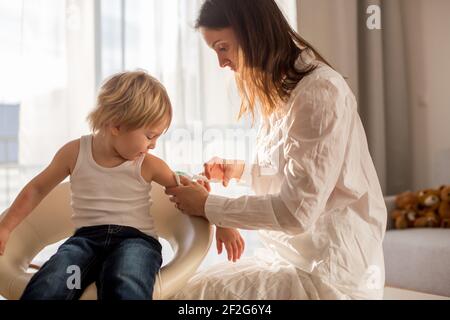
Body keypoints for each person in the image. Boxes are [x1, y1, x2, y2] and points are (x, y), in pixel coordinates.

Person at [166, 0, 387, 300]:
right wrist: (241, 170)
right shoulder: (284, 90)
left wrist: (208, 205)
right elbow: (297, 172)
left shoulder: (320, 92)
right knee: (188, 289)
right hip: (294, 257)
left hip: (329, 273)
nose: (221, 63)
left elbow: (296, 212)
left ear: (251, 32)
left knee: (191, 297)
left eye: (222, 47)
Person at [0, 70, 243, 300]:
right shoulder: (74, 153)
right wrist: (6, 228)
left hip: (136, 241)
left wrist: (222, 223)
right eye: (150, 136)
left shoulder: (148, 164)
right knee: (53, 282)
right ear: (116, 125)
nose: (153, 145)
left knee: (126, 280)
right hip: (85, 242)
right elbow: (37, 189)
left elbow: (188, 191)